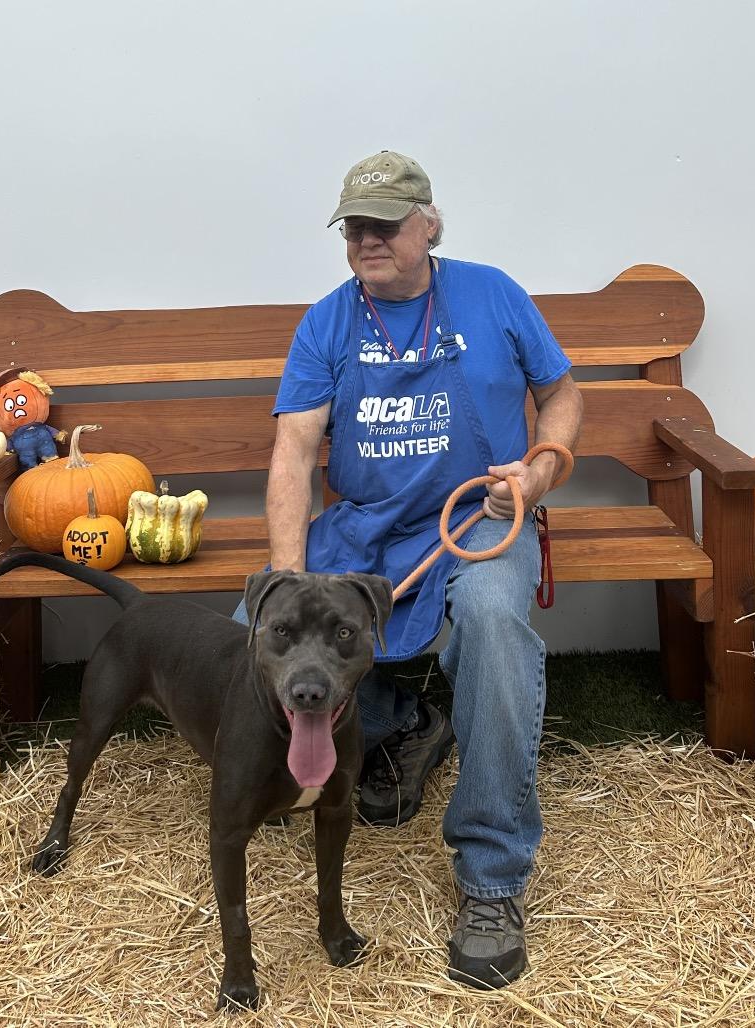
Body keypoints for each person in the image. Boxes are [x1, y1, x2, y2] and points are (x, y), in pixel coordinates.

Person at [250, 151, 582, 989]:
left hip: (480, 523)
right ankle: (403, 722)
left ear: (429, 224)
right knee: (257, 637)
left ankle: (492, 876)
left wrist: (538, 474)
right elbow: (293, 451)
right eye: (354, 226)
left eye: (386, 224)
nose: (367, 239)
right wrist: (287, 583)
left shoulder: (493, 294)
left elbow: (563, 395)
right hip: (366, 527)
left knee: (495, 625)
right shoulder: (327, 322)